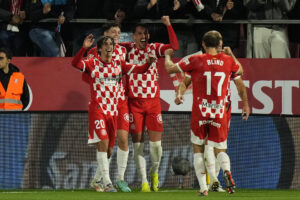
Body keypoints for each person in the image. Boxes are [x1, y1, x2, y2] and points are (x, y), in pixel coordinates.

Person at [71, 35, 155, 192]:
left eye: (111, 44)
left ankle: (97, 180)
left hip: (115, 108)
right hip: (98, 109)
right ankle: (108, 182)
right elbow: (74, 63)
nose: (110, 46)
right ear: (100, 49)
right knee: (102, 142)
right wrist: (83, 48)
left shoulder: (119, 64)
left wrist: (148, 63)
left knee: (109, 150)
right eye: (106, 44)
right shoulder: (92, 63)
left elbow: (139, 70)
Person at [164, 30, 243, 196]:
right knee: (220, 149)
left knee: (198, 149)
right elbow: (240, 71)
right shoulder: (228, 61)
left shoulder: (196, 60)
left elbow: (171, 68)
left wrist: (168, 56)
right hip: (219, 112)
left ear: (203, 44)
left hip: (201, 112)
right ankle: (226, 171)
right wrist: (231, 55)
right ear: (220, 44)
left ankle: (203, 188)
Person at [120, 16, 178, 192]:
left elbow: (174, 47)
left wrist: (168, 25)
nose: (143, 36)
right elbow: (109, 45)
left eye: (145, 33)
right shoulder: (127, 50)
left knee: (156, 147)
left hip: (153, 103)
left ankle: (154, 172)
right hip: (134, 103)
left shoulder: (154, 48)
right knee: (138, 144)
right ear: (134, 36)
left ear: (149, 36)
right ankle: (144, 181)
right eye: (139, 33)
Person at [86, 23, 133, 192]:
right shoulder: (95, 52)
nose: (117, 34)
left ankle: (119, 178)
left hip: (120, 101)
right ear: (104, 34)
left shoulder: (124, 50)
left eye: (119, 32)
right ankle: (103, 180)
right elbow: (87, 75)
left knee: (123, 139)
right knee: (106, 143)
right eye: (113, 32)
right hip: (104, 101)